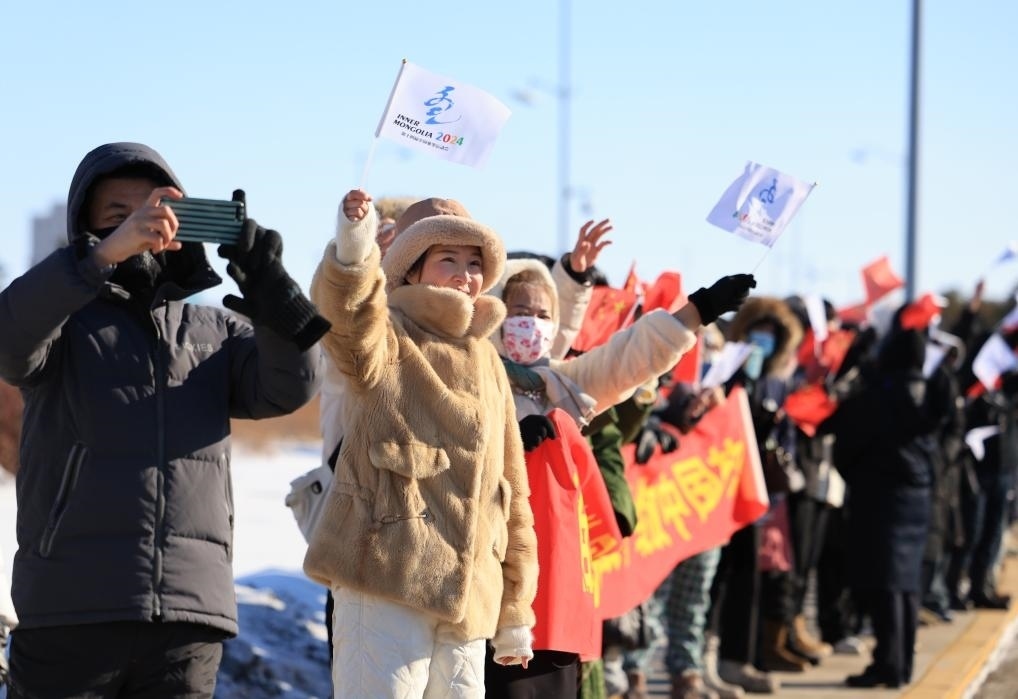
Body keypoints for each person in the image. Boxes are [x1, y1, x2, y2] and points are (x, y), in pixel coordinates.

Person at [0, 142, 327, 698]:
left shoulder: (214, 329)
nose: (140, 224)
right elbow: (9, 341)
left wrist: (271, 289)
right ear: (87, 231)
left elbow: (290, 387)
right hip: (70, 609)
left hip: (187, 616)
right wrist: (100, 259)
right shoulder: (61, 323)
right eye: (118, 214)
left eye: (154, 209)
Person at [483, 252, 755, 698]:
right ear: (496, 313)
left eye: (543, 314)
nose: (531, 324)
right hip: (494, 583)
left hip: (557, 578)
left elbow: (627, 358)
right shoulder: (473, 378)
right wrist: (509, 439)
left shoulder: (562, 385)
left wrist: (699, 310)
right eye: (520, 312)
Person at [303, 189, 539, 699]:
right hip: (385, 580)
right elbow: (346, 315)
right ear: (411, 269)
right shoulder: (388, 335)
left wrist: (516, 608)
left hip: (470, 598)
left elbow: (513, 492)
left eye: (474, 263)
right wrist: (354, 244)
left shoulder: (489, 362)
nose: (464, 274)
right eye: (447, 259)